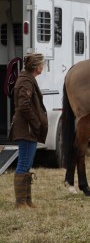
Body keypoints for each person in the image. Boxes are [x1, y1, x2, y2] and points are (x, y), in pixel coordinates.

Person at [9, 53, 48, 209]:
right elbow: (24, 105)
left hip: (28, 128)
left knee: (27, 163)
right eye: (42, 64)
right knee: (24, 163)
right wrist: (36, 122)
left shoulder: (28, 79)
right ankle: (20, 203)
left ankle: (26, 200)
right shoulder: (26, 81)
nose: (43, 67)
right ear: (37, 66)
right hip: (26, 128)